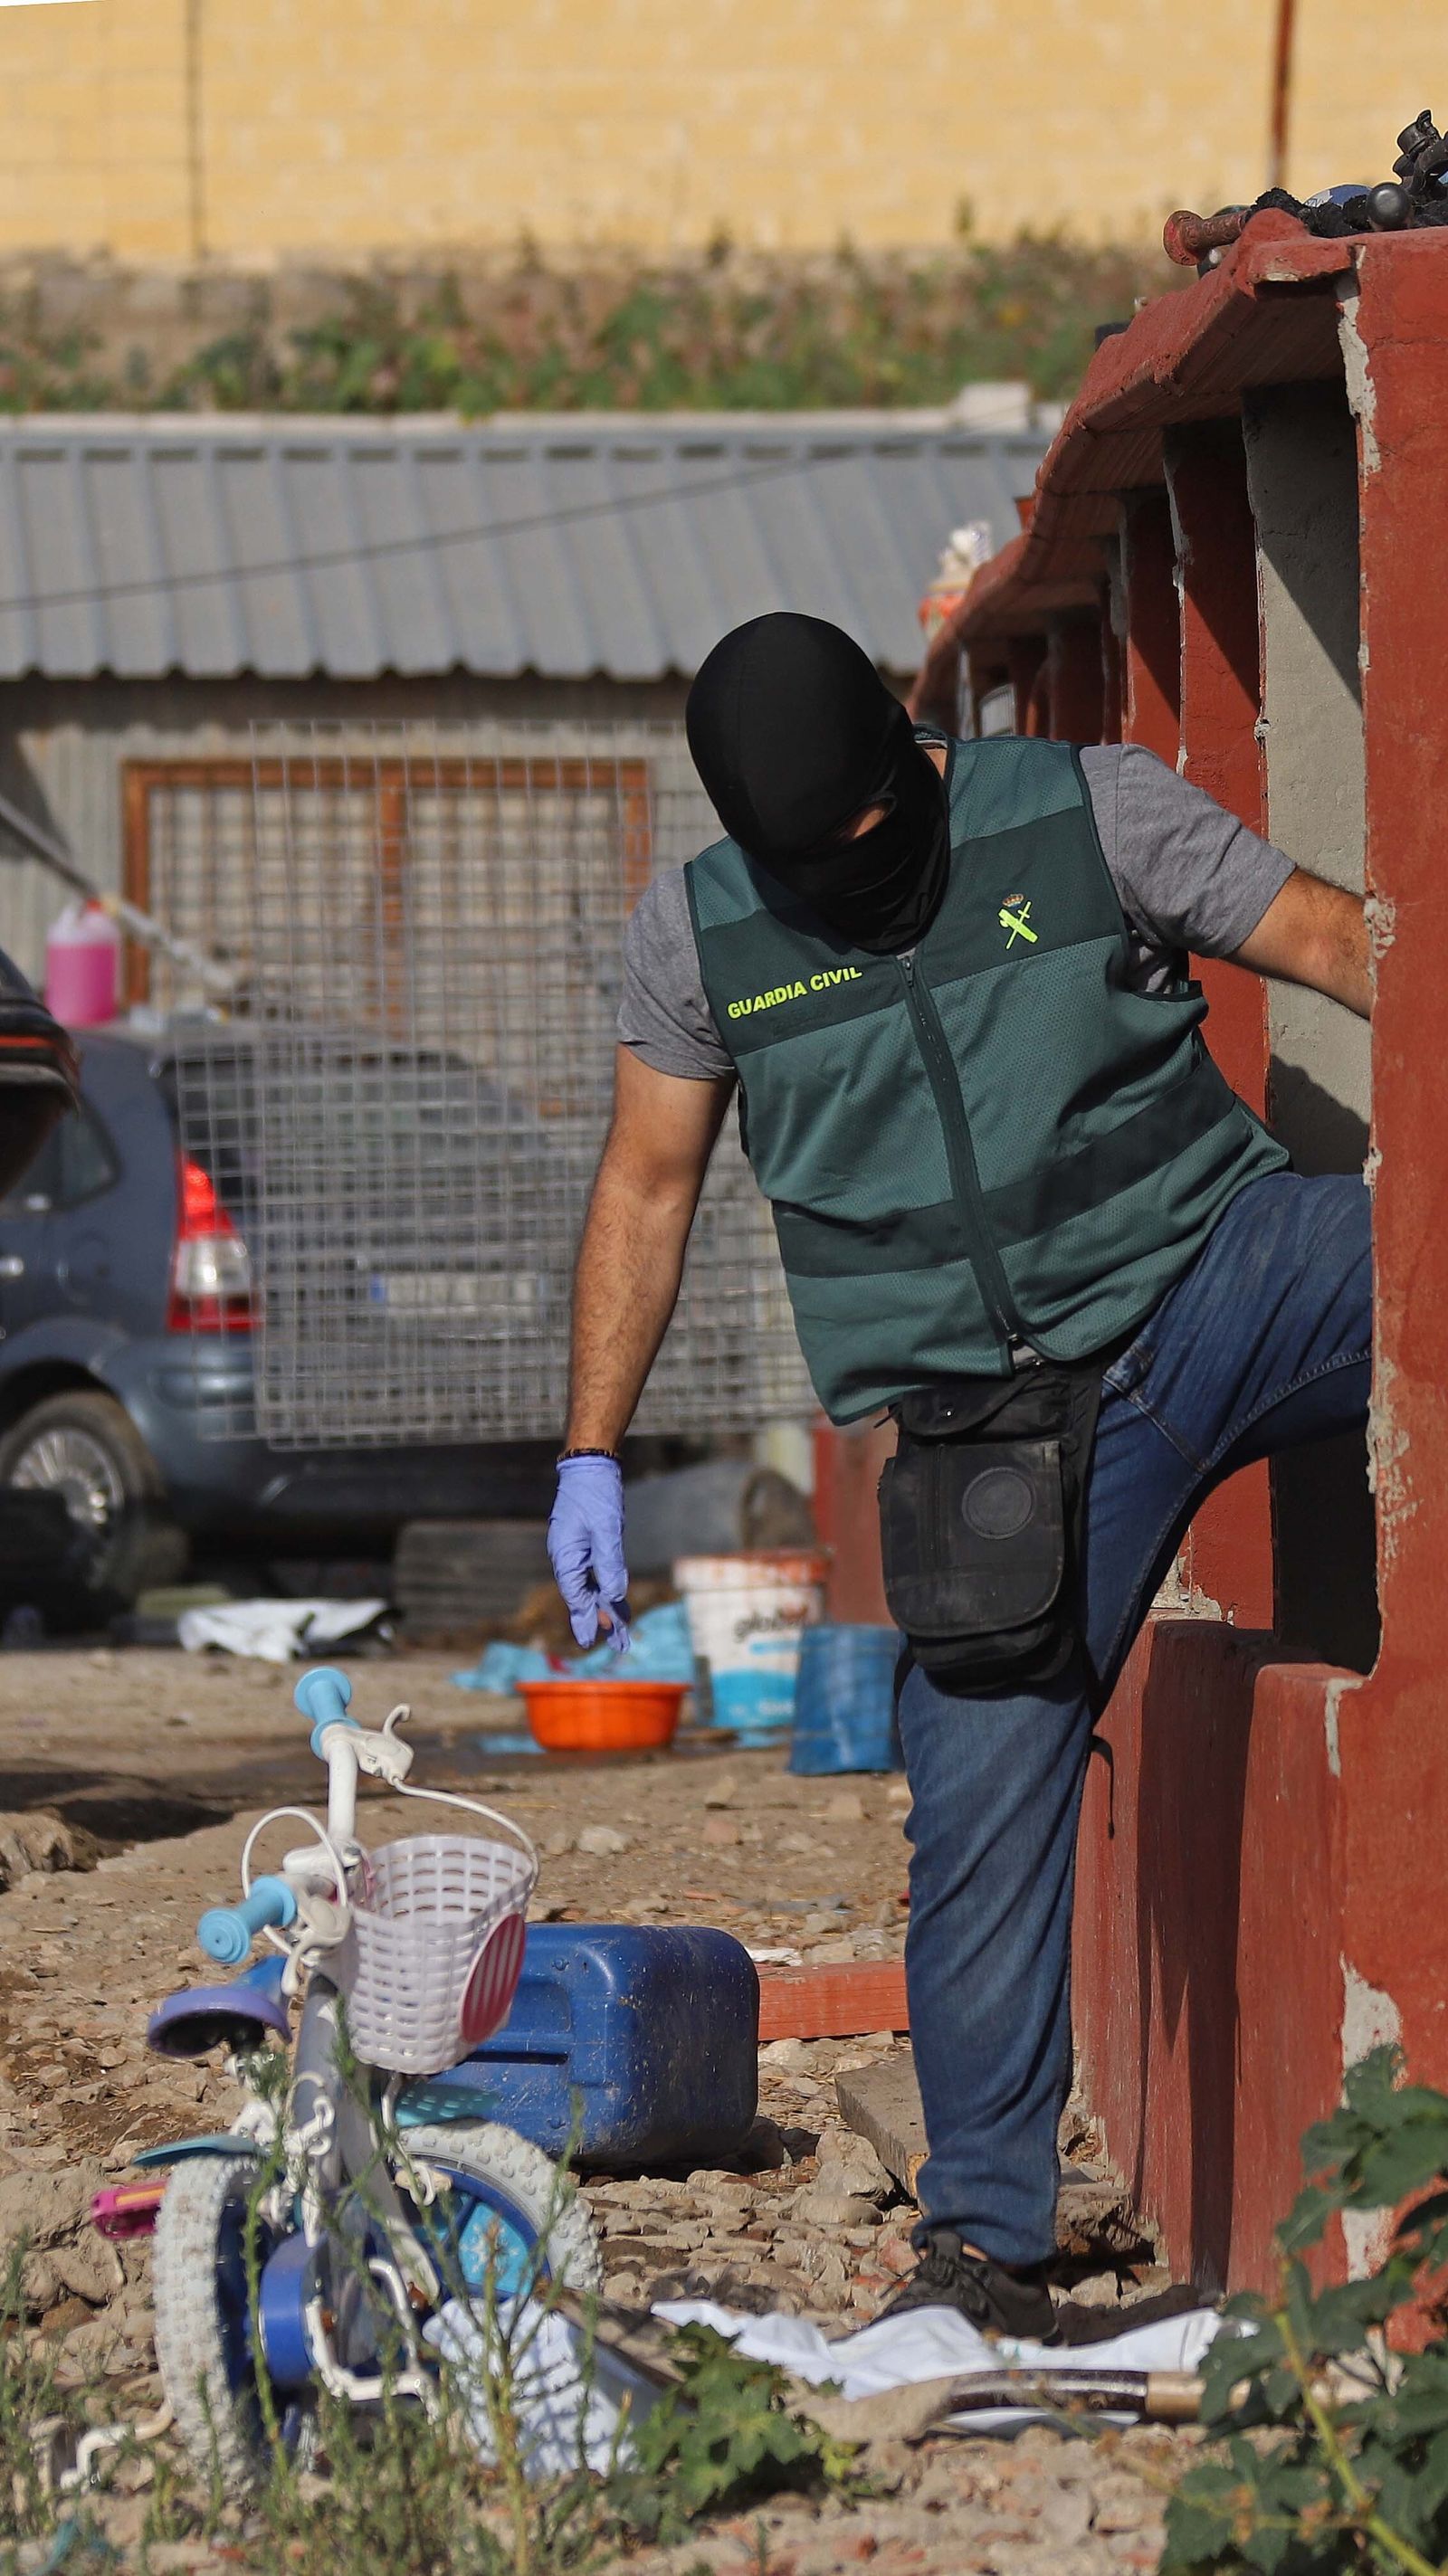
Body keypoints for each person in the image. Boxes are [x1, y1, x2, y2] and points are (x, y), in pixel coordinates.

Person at [548, 612, 1371, 2342]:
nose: (856, 873)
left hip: (1219, 1278)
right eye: (813, 863)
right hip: (989, 1450)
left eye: (873, 832)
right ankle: (986, 2248)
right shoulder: (698, 943)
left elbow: (1334, 940)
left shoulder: (1090, 814)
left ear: (909, 757)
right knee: (985, 1817)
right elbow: (643, 1187)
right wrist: (591, 1456)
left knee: (1426, 1260)